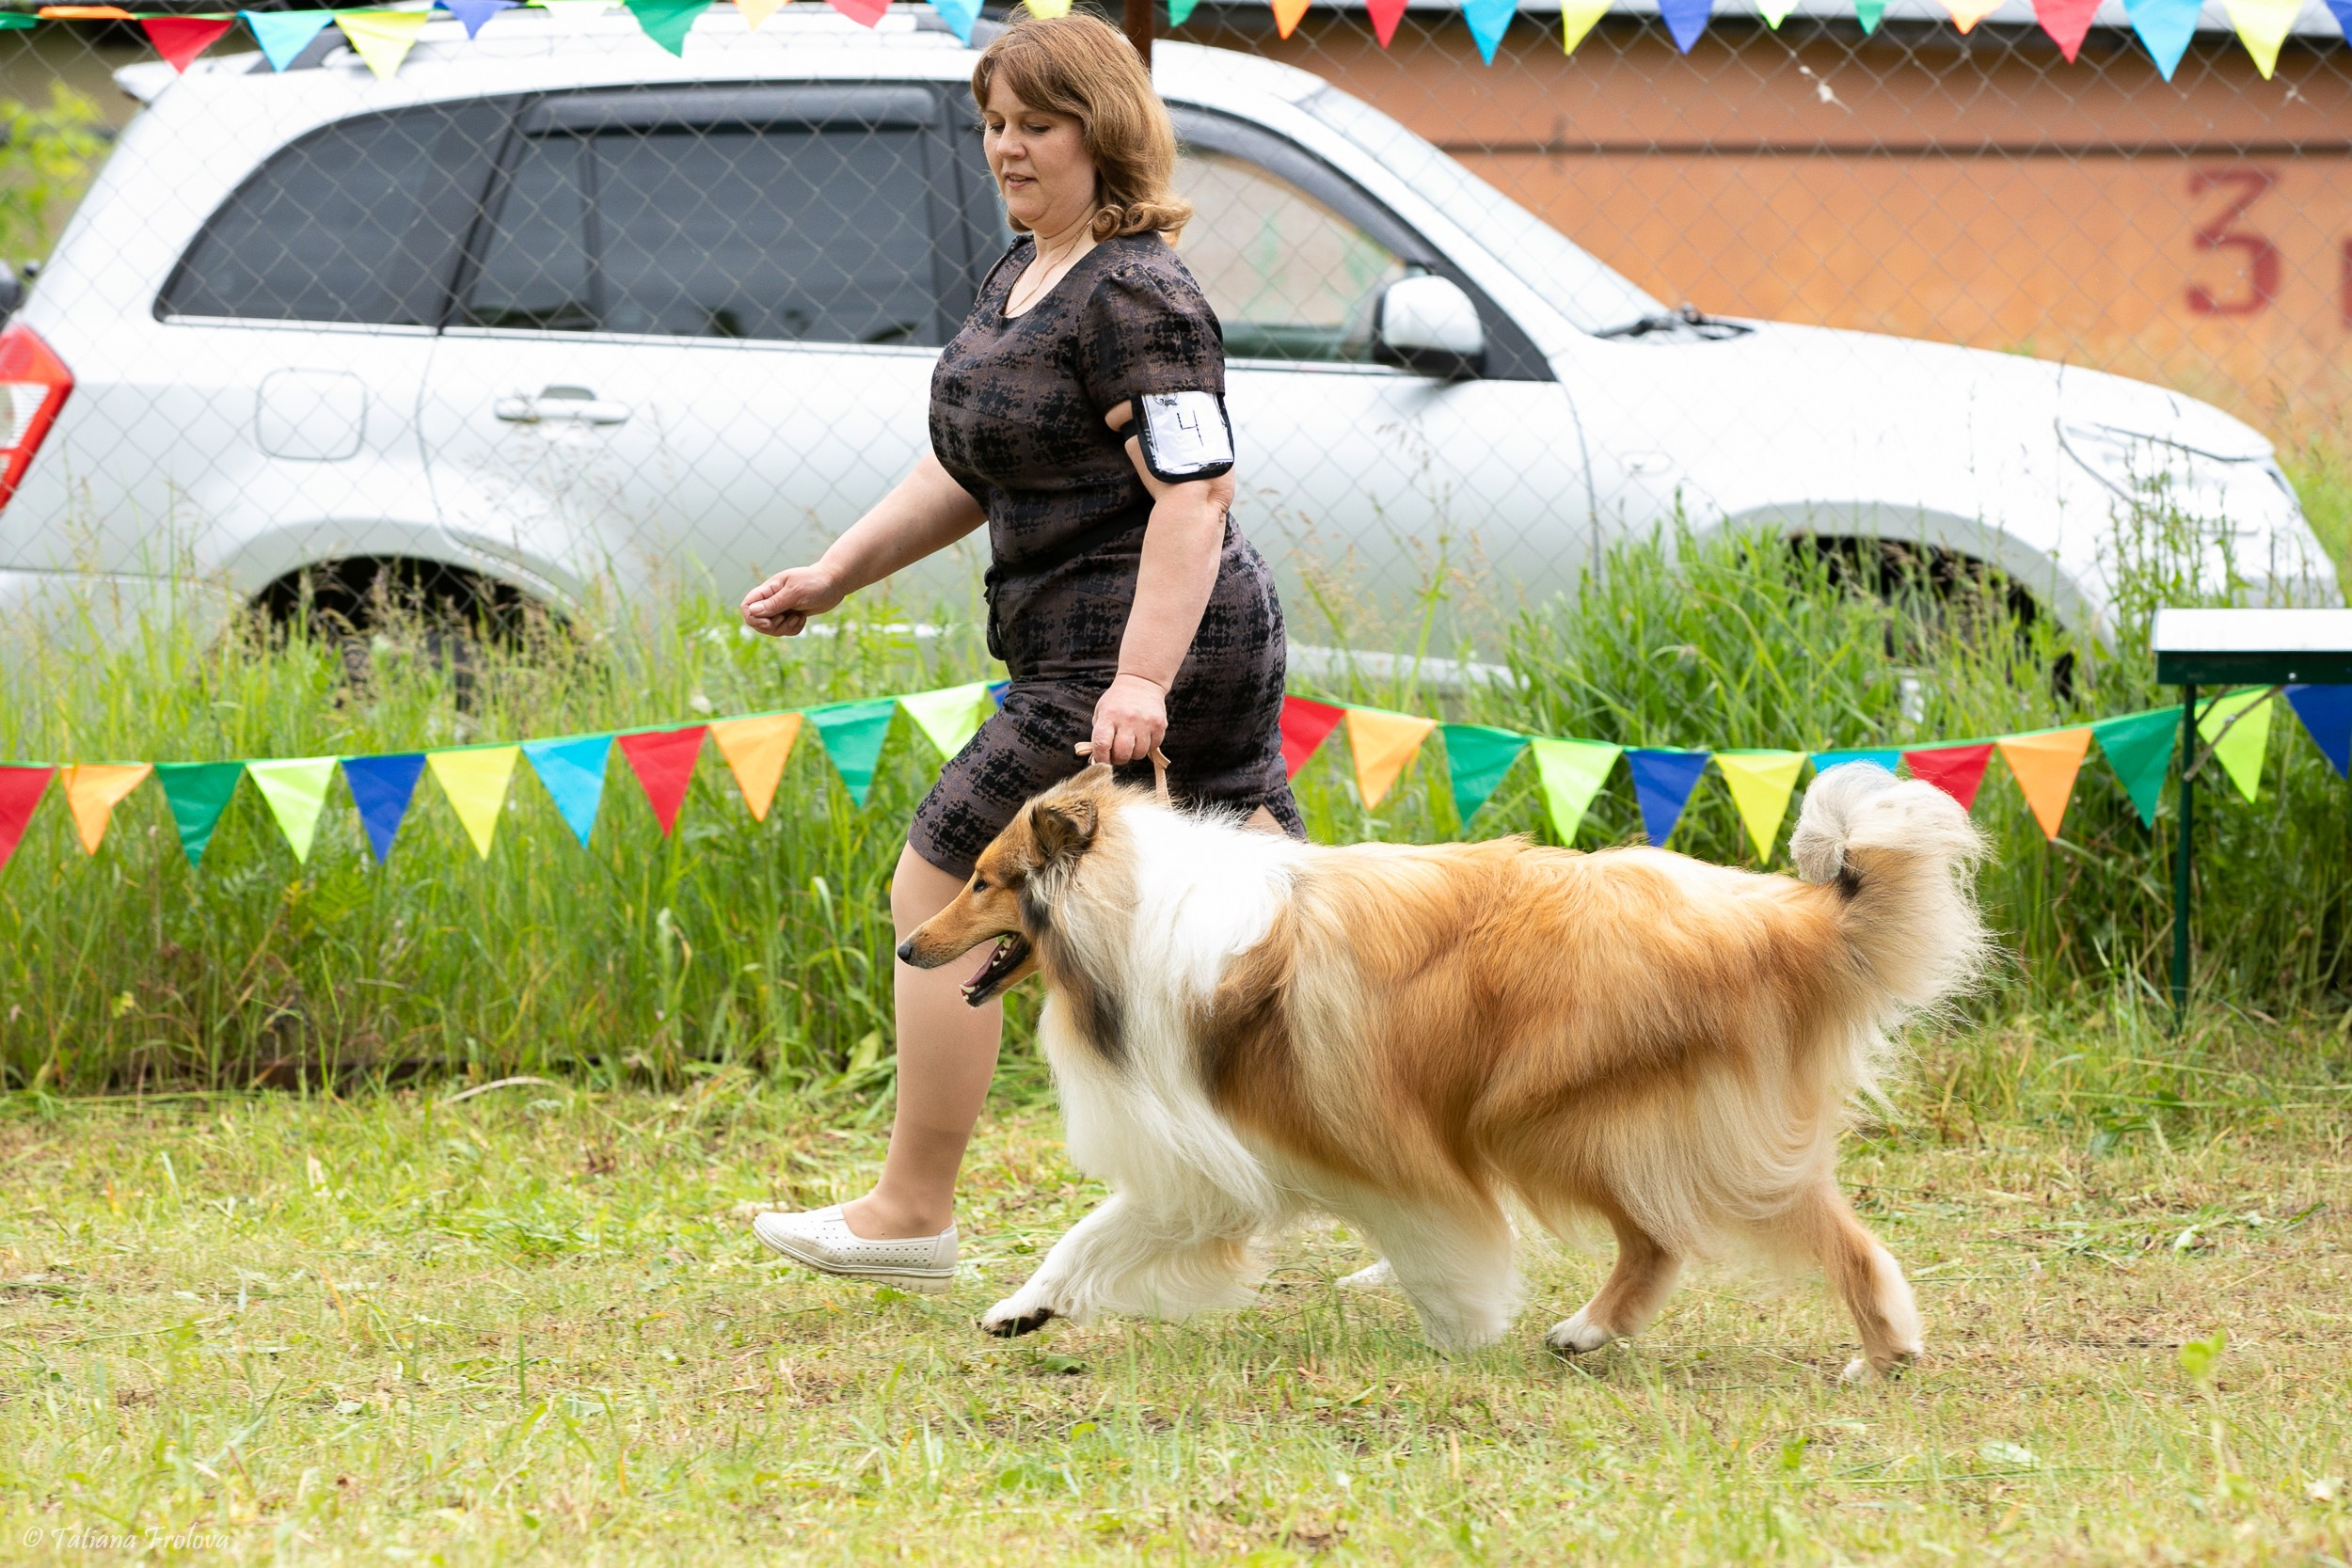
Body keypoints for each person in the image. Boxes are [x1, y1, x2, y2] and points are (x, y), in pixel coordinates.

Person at [739, 12, 1304, 1290]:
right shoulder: (1029, 272)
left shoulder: (1140, 292)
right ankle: (1389, 1171)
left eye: (1035, 125)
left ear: (1103, 131)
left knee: (942, 873)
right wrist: (836, 573)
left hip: (1138, 654)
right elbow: (968, 464)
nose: (1006, 147)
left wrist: (1141, 684)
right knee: (1287, 933)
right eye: (994, 122)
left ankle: (910, 1213)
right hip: (1097, 649)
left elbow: (1195, 496)